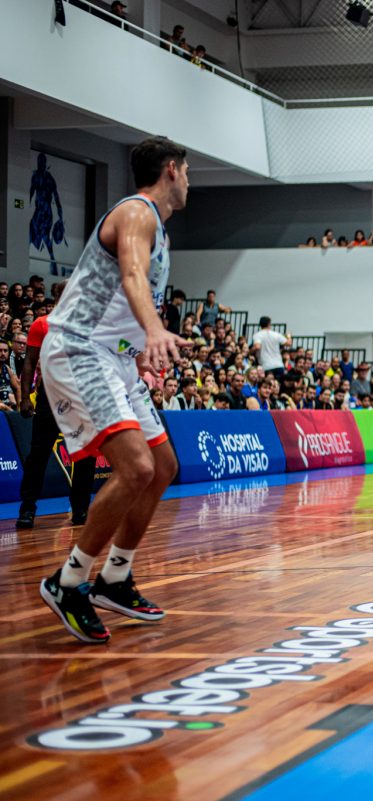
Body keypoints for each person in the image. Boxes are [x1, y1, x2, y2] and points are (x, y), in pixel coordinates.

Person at [37, 136, 190, 644]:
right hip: (80, 348)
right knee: (136, 468)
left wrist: (141, 347)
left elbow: (128, 297)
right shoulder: (136, 213)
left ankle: (115, 577)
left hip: (117, 358)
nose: (189, 183)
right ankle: (68, 582)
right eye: (187, 172)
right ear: (172, 170)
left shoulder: (159, 230)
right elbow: (131, 275)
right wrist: (154, 330)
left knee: (162, 467)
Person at [16, 282, 97, 529]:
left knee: (85, 455)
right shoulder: (42, 324)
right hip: (50, 397)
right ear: (57, 296)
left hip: (81, 398)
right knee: (38, 454)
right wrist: (25, 397)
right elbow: (29, 362)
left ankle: (80, 508)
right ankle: (27, 508)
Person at [252, 316, 290, 381]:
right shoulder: (276, 334)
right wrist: (289, 336)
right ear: (269, 324)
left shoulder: (258, 335)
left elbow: (257, 347)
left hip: (266, 365)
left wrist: (250, 351)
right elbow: (288, 343)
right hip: (278, 364)